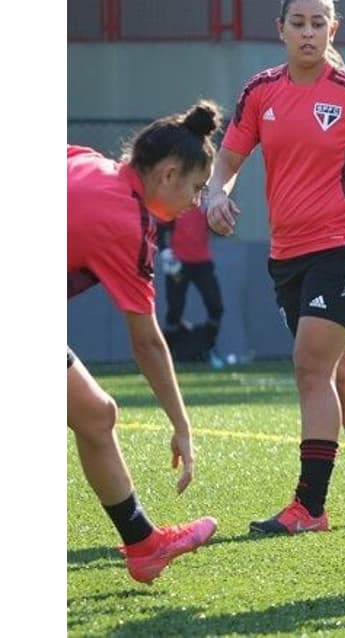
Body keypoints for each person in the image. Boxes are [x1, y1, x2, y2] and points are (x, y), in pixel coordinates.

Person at [205, 0, 345, 536]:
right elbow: (228, 156)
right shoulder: (261, 92)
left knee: (310, 367)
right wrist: (216, 191)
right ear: (280, 30)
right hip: (287, 257)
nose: (308, 32)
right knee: (342, 378)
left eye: (318, 23)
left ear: (333, 29)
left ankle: (310, 507)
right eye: (298, 23)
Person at [68, 101, 222, 584]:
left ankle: (143, 545)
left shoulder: (87, 161)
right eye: (196, 188)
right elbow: (148, 343)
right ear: (169, 173)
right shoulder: (125, 223)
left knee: (95, 413)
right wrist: (181, 424)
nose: (196, 201)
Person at [158, 205, 225, 368]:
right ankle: (168, 357)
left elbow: (218, 227)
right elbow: (162, 227)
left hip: (202, 260)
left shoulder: (208, 196)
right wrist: (166, 254)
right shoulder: (177, 194)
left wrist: (219, 216)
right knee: (175, 311)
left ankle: (207, 348)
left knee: (216, 306)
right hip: (179, 260)